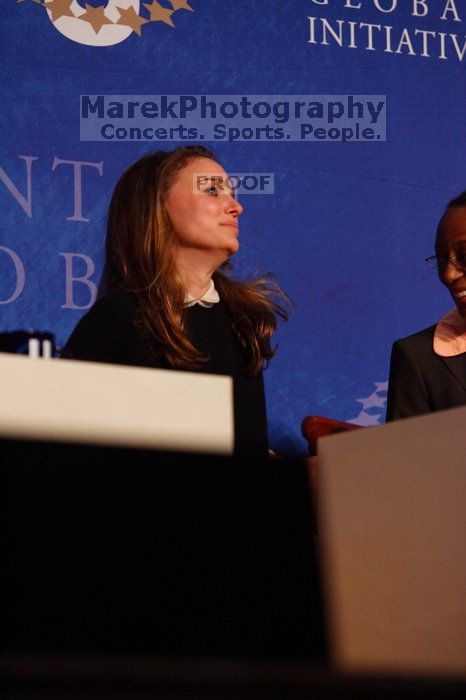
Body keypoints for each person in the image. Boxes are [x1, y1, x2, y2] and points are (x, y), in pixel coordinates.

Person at [64, 146, 289, 458]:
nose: (236, 207)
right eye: (212, 191)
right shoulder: (113, 321)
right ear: (157, 208)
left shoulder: (243, 321)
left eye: (231, 193)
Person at [386, 191, 466, 421]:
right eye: (442, 260)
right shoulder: (418, 359)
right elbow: (404, 456)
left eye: (464, 255)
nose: (449, 274)